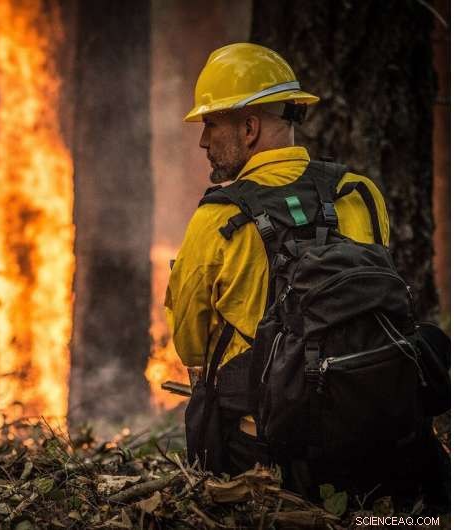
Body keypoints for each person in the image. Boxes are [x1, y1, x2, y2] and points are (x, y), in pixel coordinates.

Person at [165, 43, 448, 505]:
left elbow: (190, 346)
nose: (203, 141)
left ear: (250, 127)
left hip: (271, 456)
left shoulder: (217, 221)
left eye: (211, 124)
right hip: (379, 433)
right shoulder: (359, 193)